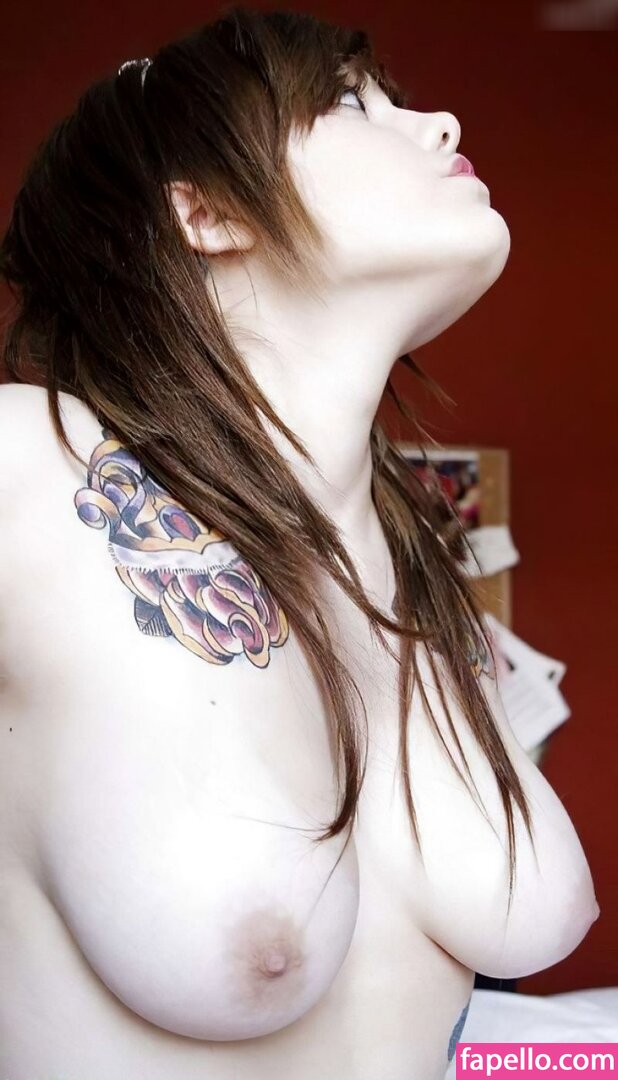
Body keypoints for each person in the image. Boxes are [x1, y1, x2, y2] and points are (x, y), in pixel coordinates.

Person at [0, 7, 600, 1079]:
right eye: (350, 103)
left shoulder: (412, 574)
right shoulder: (30, 467)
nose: (442, 125)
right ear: (207, 209)